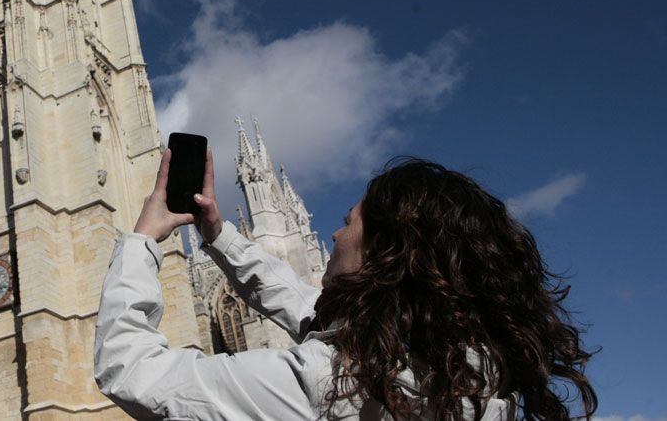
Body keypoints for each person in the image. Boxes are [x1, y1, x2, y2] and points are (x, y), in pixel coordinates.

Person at [94, 150, 598, 420]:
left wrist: (141, 240)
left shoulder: (336, 385)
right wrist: (220, 237)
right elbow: (318, 317)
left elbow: (132, 372)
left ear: (388, 255)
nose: (334, 234)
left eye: (349, 223)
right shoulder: (474, 374)